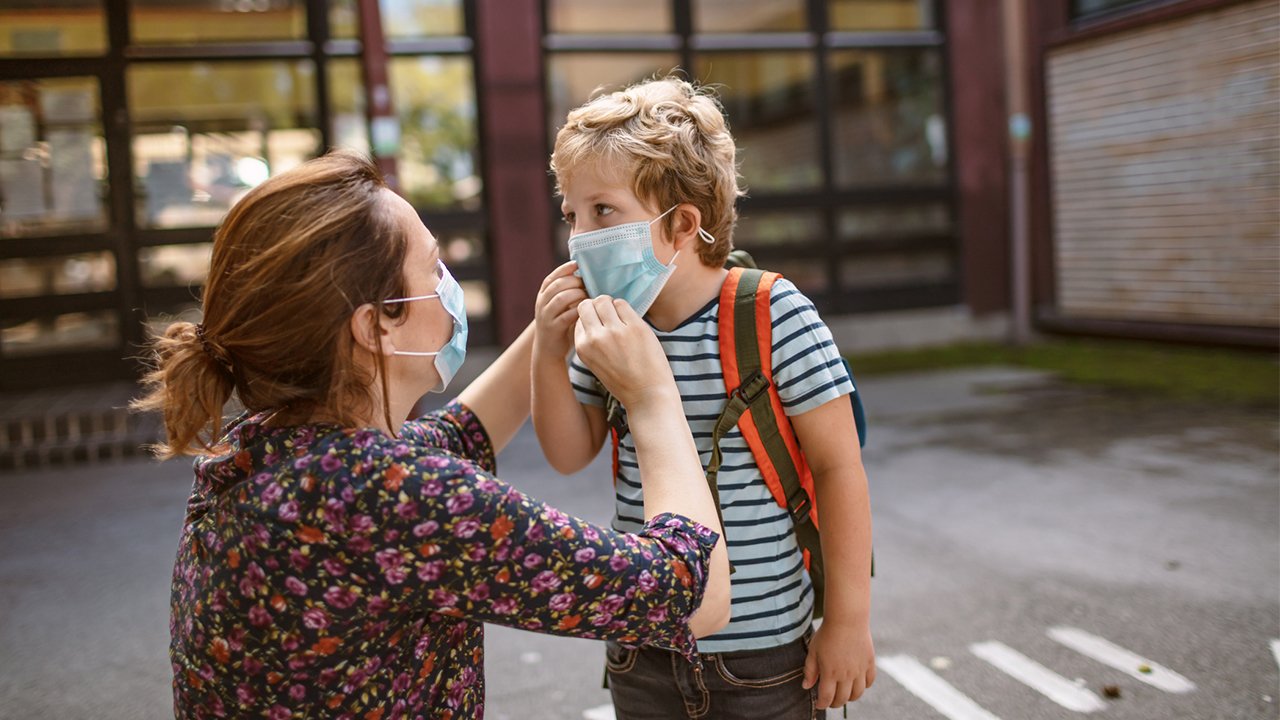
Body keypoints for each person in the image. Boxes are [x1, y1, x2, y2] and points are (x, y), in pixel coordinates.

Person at [133, 150, 730, 720]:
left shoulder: (266, 450)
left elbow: (464, 434)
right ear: (376, 325)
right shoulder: (383, 494)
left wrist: (550, 329)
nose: (449, 284)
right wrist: (650, 396)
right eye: (433, 266)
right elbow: (686, 593)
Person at [532, 76, 875, 718]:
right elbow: (568, 450)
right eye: (571, 215)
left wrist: (848, 623)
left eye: (603, 211)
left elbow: (838, 468)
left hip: (769, 658)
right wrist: (549, 353)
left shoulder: (774, 314)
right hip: (643, 647)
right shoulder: (607, 328)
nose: (580, 236)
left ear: (682, 224)